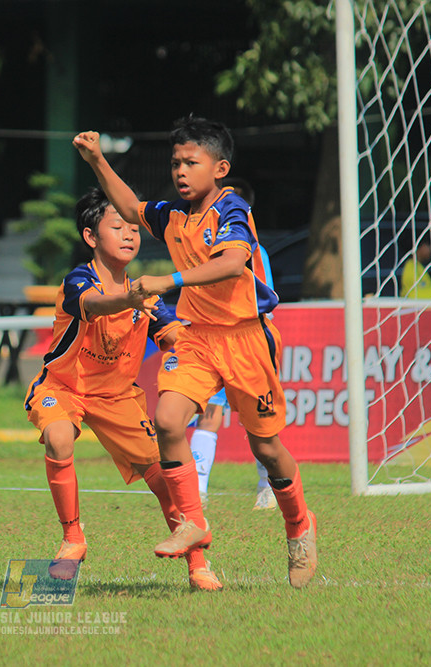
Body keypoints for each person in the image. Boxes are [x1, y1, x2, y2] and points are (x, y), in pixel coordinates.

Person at [74, 115, 318, 588]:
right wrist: (98, 160)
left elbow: (231, 263)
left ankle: (299, 526)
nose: (180, 171)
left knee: (265, 448)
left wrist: (170, 280)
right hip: (197, 337)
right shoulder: (174, 215)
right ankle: (194, 520)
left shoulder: (232, 209)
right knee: (167, 420)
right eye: (175, 163)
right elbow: (129, 205)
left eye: (191, 162)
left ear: (220, 168)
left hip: (247, 338)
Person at [25, 188, 222, 591]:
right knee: (59, 437)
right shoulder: (79, 280)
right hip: (64, 387)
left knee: (166, 479)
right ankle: (72, 538)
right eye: (117, 227)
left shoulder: (142, 293)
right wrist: (129, 300)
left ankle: (197, 564)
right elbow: (96, 305)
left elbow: (173, 336)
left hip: (118, 398)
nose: (130, 234)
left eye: (134, 228)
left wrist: (181, 358)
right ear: (91, 237)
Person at [189, 177, 276, 511]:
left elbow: (265, 301)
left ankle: (266, 487)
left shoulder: (253, 252)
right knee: (208, 415)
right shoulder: (202, 250)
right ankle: (197, 491)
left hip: (247, 343)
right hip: (210, 342)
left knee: (259, 420)